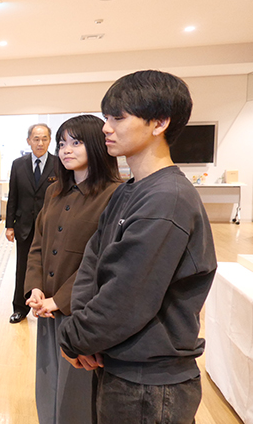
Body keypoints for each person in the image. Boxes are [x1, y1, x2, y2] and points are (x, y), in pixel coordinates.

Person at [59, 70, 217, 423]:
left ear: (159, 122)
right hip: (118, 364)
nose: (106, 128)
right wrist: (82, 334)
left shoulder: (167, 199)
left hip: (150, 382)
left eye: (118, 118)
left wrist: (74, 337)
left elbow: (127, 297)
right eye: (106, 118)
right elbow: (93, 265)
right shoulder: (129, 191)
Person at [24, 115, 120, 424]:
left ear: (97, 145)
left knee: (75, 394)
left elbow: (102, 259)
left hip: (81, 311)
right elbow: (38, 244)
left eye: (76, 143)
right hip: (47, 308)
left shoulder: (114, 195)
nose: (66, 150)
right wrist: (36, 288)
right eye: (62, 143)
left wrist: (60, 299)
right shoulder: (55, 192)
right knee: (47, 382)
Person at [5, 123, 55, 324]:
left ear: (49, 141)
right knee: (23, 267)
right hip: (24, 226)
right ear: (28, 141)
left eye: (44, 138)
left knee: (51, 267)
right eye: (36, 139)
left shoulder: (59, 164)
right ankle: (20, 308)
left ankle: (48, 306)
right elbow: (13, 196)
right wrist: (9, 226)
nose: (40, 143)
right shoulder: (18, 164)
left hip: (51, 226)